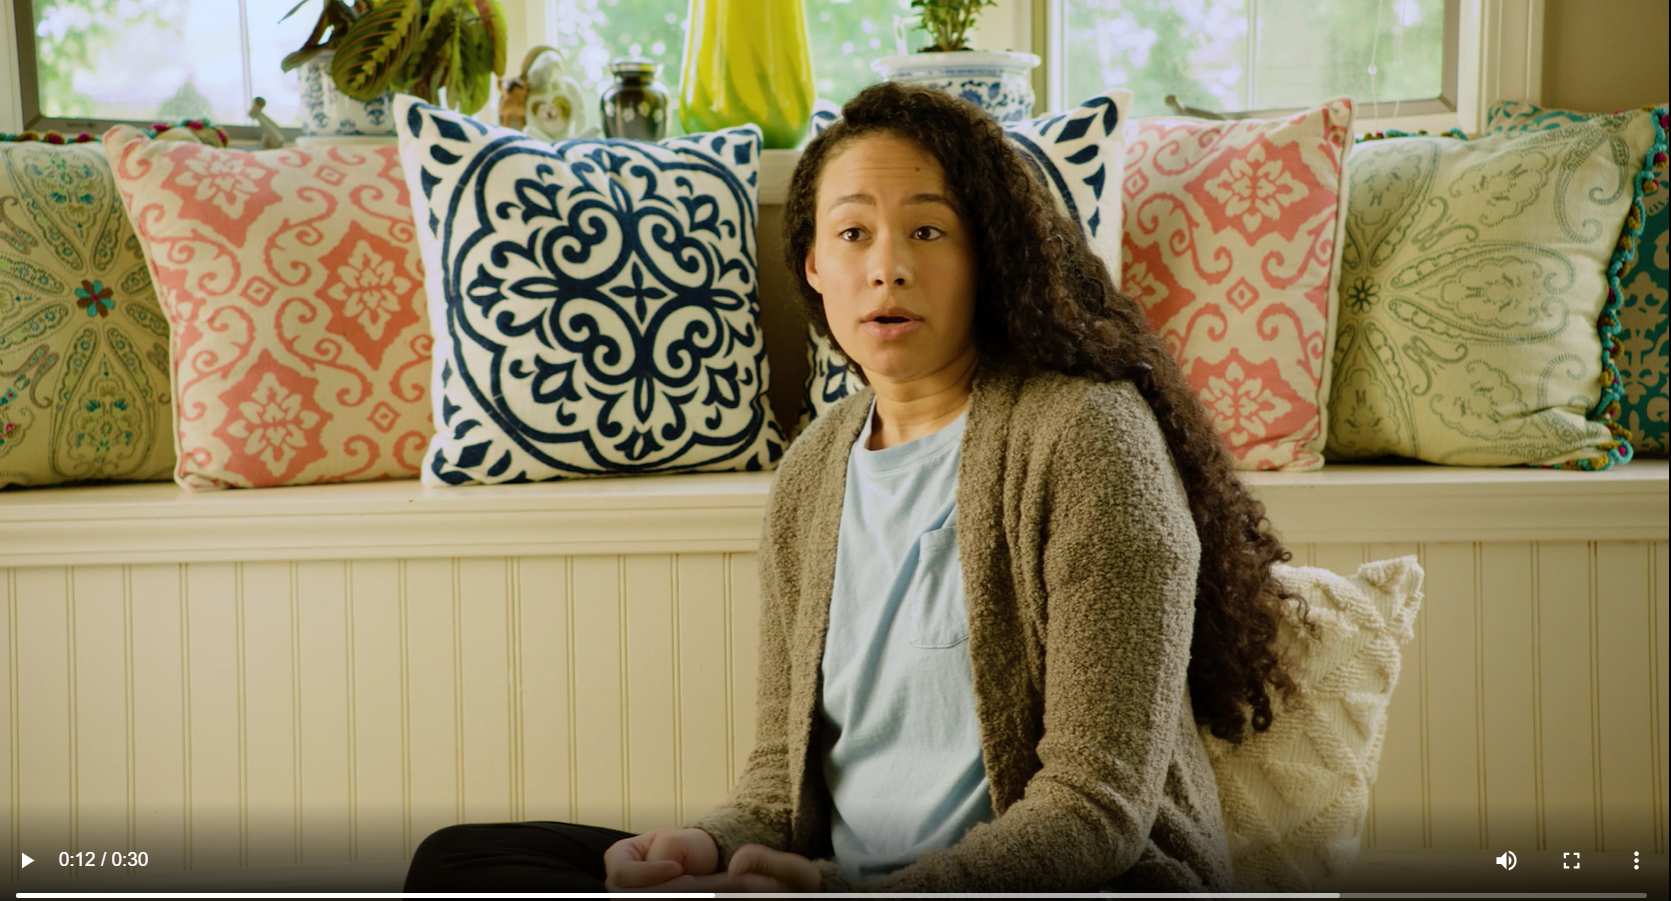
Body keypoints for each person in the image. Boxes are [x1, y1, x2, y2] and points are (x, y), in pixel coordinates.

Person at [402, 80, 1298, 894]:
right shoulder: (811, 472)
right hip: (840, 877)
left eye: (927, 229)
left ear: (987, 257)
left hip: (1061, 880)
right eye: (853, 233)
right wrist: (701, 846)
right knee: (466, 861)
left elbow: (1093, 810)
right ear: (813, 270)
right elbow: (772, 781)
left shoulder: (1087, 436)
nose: (888, 266)